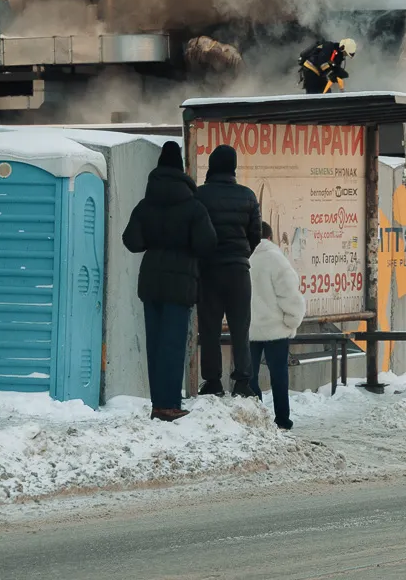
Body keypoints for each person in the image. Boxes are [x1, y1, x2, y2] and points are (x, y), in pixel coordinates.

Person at [122, 142, 218, 422]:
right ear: (181, 169)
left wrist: (155, 239)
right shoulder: (193, 206)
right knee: (174, 344)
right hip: (181, 282)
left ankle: (157, 404)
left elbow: (131, 241)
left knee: (154, 343)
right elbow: (207, 243)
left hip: (150, 281)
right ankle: (169, 404)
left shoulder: (145, 204)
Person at [195, 144, 263, 397]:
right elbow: (255, 234)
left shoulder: (199, 195)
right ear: (233, 167)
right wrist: (241, 254)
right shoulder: (247, 195)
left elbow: (196, 231)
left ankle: (213, 381)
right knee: (240, 326)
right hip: (238, 270)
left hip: (209, 270)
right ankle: (243, 380)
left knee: (210, 327)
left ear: (212, 166)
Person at [248, 222, 306, 430]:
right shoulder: (276, 259)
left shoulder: (244, 257)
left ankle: (257, 418)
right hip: (276, 329)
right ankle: (282, 420)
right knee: (279, 375)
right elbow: (289, 294)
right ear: (270, 238)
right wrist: (292, 321)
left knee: (249, 375)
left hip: (249, 329)